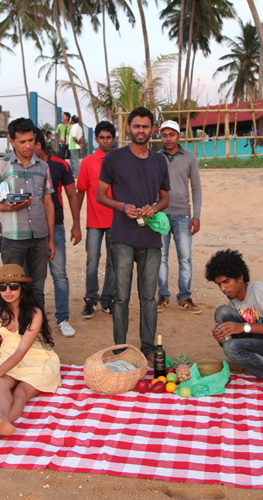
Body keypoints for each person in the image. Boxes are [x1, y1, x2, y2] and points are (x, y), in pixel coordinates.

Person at [96, 107, 170, 358]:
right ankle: (120, 348)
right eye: (136, 126)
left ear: (152, 130)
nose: (140, 130)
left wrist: (154, 208)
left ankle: (148, 347)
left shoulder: (159, 161)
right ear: (128, 128)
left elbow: (165, 198)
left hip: (151, 238)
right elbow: (100, 196)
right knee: (121, 296)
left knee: (149, 297)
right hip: (122, 237)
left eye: (145, 126)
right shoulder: (114, 158)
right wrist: (122, 206)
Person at [0, 264, 60, 446]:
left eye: (13, 286)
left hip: (37, 359)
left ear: (22, 288)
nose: (8, 291)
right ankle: (0, 423)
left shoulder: (35, 313)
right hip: (8, 358)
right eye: (2, 286)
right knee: (1, 386)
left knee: (21, 392)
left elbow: (21, 351)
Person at [0, 117, 55, 312]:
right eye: (22, 142)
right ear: (12, 142)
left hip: (39, 237)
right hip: (13, 238)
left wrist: (50, 239)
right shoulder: (2, 166)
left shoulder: (43, 167)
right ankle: (12, 326)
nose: (28, 145)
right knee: (10, 288)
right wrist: (9, 208)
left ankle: (38, 328)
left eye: (31, 140)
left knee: (37, 288)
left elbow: (48, 203)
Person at [205, 249, 263, 393]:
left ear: (240, 277)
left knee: (232, 347)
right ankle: (245, 362)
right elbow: (228, 341)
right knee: (222, 312)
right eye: (219, 284)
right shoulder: (234, 302)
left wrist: (243, 327)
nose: (223, 289)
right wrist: (221, 338)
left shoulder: (258, 290)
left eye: (226, 282)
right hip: (261, 341)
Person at [33, 128, 82, 338]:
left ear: (38, 144)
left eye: (30, 142)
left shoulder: (60, 165)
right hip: (32, 227)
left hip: (57, 225)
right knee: (34, 276)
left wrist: (77, 224)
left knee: (59, 274)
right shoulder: (25, 167)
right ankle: (37, 321)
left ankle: (62, 319)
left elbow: (72, 196)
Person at [156, 120, 202, 314]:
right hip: (161, 215)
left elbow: (196, 188)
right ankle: (163, 296)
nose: (168, 139)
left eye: (172, 135)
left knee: (185, 259)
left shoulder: (190, 158)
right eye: (164, 135)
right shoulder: (155, 158)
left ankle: (184, 297)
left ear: (178, 136)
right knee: (161, 258)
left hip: (183, 215)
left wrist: (196, 216)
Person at [77, 120, 117, 318]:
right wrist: (76, 221)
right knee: (92, 260)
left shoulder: (121, 160)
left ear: (114, 138)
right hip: (93, 221)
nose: (105, 141)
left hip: (116, 219)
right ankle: (90, 298)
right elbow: (80, 191)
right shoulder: (87, 162)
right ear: (96, 139)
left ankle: (107, 299)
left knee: (113, 262)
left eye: (108, 137)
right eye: (101, 138)